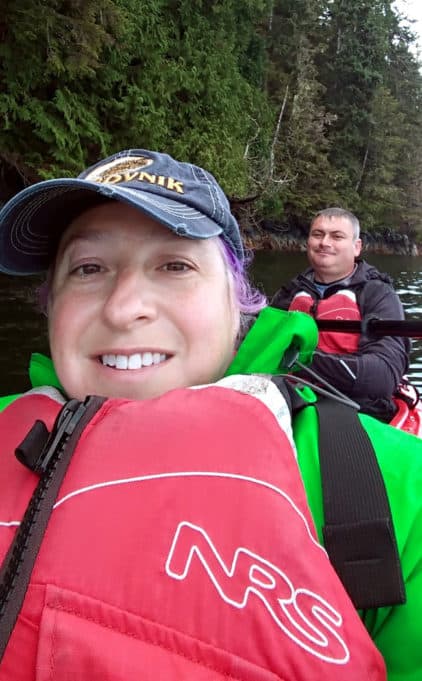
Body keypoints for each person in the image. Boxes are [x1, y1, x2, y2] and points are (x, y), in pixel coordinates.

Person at [0, 150, 420, 680]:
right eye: (88, 268)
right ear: (52, 306)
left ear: (238, 303)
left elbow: (383, 377)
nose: (124, 307)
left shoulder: (399, 490)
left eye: (175, 265)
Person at [271, 207, 411, 421]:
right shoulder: (290, 293)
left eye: (337, 236)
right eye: (318, 234)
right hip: (288, 398)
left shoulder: (378, 295)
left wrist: (298, 360)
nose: (324, 242)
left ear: (356, 247)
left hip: (355, 409)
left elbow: (383, 376)